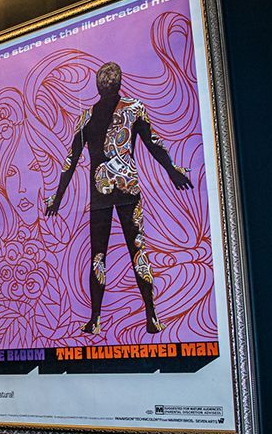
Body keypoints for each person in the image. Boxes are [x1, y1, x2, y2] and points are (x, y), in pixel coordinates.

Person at [45, 62, 192, 335]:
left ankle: (101, 318)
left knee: (103, 256)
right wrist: (172, 171)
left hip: (109, 192)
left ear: (98, 86)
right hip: (122, 191)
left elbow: (71, 161)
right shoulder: (128, 109)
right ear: (118, 83)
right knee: (134, 252)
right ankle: (149, 316)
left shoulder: (90, 116)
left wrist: (57, 197)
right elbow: (153, 144)